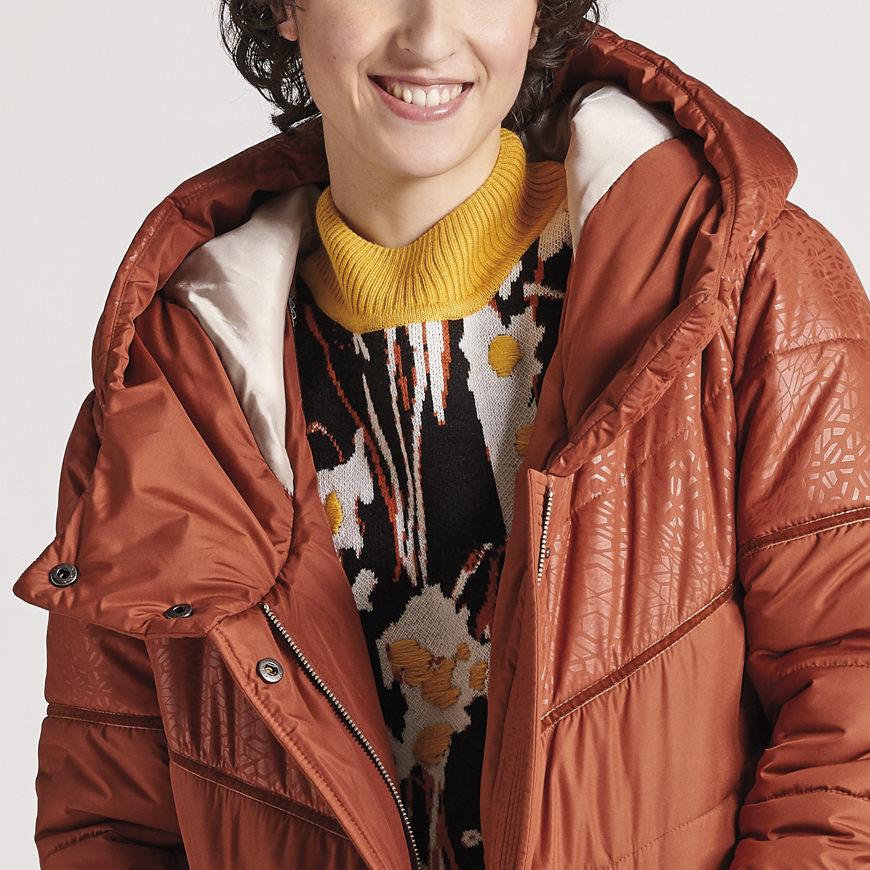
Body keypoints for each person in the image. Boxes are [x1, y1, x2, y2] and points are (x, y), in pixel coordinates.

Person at [14, 0, 870, 867]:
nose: (428, 35)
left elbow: (848, 702)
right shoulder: (169, 399)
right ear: (283, 9)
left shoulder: (737, 289)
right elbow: (112, 824)